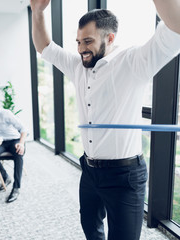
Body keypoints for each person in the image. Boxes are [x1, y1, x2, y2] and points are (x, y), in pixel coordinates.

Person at [30, 0, 180, 239]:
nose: (81, 49)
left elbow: (176, 28)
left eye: (88, 41)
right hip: (89, 170)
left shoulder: (133, 63)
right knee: (91, 229)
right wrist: (37, 12)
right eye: (78, 42)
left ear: (110, 38)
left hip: (125, 175)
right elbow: (44, 48)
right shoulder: (79, 67)